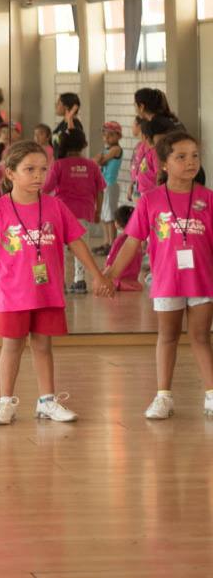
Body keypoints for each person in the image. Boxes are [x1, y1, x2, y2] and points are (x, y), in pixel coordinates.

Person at [0, 140, 114, 425]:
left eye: (43, 169)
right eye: (30, 169)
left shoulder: (55, 206)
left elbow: (77, 242)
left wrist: (98, 275)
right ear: (10, 173)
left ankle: (47, 400)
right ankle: (5, 401)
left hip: (47, 293)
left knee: (43, 346)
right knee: (12, 346)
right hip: (13, 295)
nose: (38, 176)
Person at [105, 131, 213, 420]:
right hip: (167, 281)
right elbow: (132, 241)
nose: (190, 162)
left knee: (201, 336)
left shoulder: (207, 198)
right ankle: (163, 396)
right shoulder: (151, 199)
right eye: (181, 157)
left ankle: (211, 394)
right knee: (168, 336)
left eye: (194, 156)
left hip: (202, 280)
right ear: (164, 163)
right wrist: (110, 274)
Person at [43, 129, 105, 295]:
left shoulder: (59, 165)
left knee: (60, 249)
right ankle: (80, 280)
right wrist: (98, 210)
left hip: (61, 212)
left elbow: (46, 188)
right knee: (80, 246)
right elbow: (100, 190)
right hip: (84, 212)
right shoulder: (92, 165)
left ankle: (60, 282)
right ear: (83, 144)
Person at [94, 121, 124, 256]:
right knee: (104, 216)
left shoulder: (116, 149)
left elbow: (101, 161)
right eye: (105, 135)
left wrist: (99, 159)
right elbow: (95, 161)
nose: (107, 138)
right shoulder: (105, 149)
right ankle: (107, 242)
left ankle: (113, 244)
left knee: (110, 216)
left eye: (110, 135)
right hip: (103, 186)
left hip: (111, 185)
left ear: (118, 136)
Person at [103, 205, 142, 292]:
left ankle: (121, 285)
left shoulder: (120, 240)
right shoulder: (136, 241)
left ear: (117, 223)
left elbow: (110, 263)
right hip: (133, 278)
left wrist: (102, 278)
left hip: (119, 279)